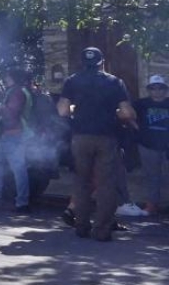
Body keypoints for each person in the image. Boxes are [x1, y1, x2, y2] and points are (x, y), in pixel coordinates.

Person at [57, 47, 136, 241]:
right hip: (106, 138)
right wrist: (119, 116)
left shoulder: (72, 81)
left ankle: (81, 227)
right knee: (105, 185)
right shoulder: (114, 82)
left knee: (81, 183)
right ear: (102, 62)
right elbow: (126, 112)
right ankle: (101, 230)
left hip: (80, 138)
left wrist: (77, 112)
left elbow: (62, 111)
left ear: (82, 62)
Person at [0, 68, 35, 214]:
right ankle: (0, 197)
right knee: (0, 162)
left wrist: (0, 109)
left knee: (17, 168)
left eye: (7, 76)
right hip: (11, 135)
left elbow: (12, 113)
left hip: (14, 135)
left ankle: (20, 202)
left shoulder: (16, 92)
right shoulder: (18, 91)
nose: (5, 79)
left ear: (13, 78)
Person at [134, 75, 169, 215]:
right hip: (147, 145)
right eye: (153, 88)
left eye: (160, 88)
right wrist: (137, 129)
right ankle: (152, 205)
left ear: (165, 90)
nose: (157, 91)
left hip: (167, 146)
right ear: (149, 90)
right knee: (152, 176)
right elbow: (127, 114)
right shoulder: (141, 104)